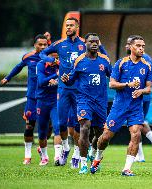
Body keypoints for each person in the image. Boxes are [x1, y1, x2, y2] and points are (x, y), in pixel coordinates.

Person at [40, 18, 107, 167]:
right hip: (63, 88)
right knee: (61, 123)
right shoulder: (59, 44)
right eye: (67, 25)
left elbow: (104, 56)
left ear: (77, 26)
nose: (68, 27)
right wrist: (52, 60)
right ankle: (65, 148)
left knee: (80, 126)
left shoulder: (85, 42)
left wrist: (100, 47)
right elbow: (42, 54)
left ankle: (77, 156)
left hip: (80, 90)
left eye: (71, 25)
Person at [90, 35, 152, 176]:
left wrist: (141, 91)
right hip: (119, 107)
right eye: (138, 46)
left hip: (136, 108)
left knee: (136, 135)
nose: (141, 48)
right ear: (131, 47)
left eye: (143, 46)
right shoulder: (121, 63)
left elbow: (149, 89)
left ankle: (126, 168)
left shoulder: (147, 65)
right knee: (105, 137)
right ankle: (97, 156)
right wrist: (127, 84)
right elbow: (112, 84)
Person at [61, 33, 111, 174]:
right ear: (85, 44)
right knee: (84, 127)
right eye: (91, 41)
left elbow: (112, 77)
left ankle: (93, 153)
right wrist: (66, 79)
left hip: (100, 102)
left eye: (97, 42)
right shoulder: (79, 60)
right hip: (84, 100)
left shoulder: (104, 60)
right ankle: (83, 164)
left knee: (100, 133)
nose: (94, 44)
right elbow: (71, 79)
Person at [1, 34, 48, 165]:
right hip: (33, 97)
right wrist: (8, 78)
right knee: (29, 126)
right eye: (40, 44)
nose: (43, 47)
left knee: (47, 127)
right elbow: (18, 67)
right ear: (35, 45)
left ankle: (44, 154)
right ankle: (27, 155)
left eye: (45, 44)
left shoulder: (52, 58)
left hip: (47, 97)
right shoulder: (29, 57)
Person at [125, 35, 152, 162]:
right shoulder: (144, 58)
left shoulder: (143, 59)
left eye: (128, 44)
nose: (126, 46)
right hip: (141, 96)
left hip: (139, 97)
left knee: (136, 124)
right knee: (138, 124)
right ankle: (140, 156)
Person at [35, 53, 62, 166]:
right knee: (42, 132)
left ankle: (57, 157)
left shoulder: (60, 66)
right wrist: (55, 76)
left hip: (55, 101)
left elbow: (66, 80)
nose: (55, 59)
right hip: (41, 101)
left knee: (57, 127)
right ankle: (44, 157)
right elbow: (41, 82)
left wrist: (58, 81)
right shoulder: (40, 65)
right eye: (53, 57)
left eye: (57, 57)